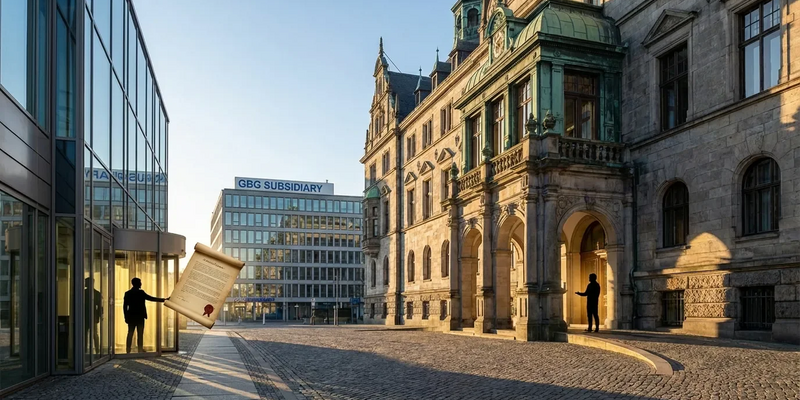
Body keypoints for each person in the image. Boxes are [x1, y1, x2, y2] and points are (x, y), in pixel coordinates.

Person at [123, 277, 168, 354]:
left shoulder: (128, 293)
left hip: (131, 317)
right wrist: (164, 299)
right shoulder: (141, 293)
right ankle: (140, 349)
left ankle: (128, 350)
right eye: (140, 282)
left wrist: (126, 317)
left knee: (130, 333)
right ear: (137, 284)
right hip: (140, 316)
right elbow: (151, 298)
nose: (141, 283)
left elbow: (125, 306)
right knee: (140, 334)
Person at [84, 277, 102, 351]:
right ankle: (97, 349)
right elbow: (100, 306)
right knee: (95, 334)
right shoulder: (97, 293)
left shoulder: (83, 293)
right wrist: (99, 316)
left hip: (85, 315)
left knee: (85, 334)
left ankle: (85, 349)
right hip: (93, 316)